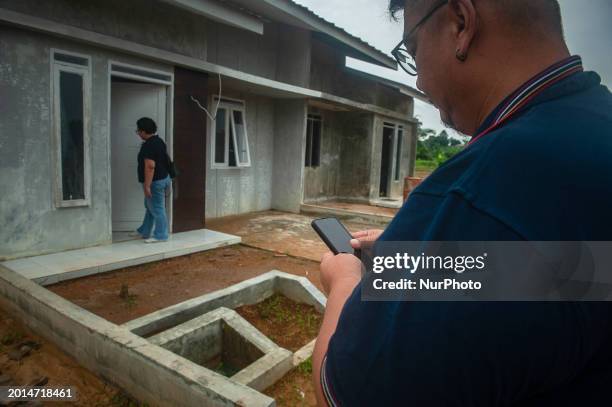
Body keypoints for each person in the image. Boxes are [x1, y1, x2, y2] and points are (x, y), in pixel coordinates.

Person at [313, 0, 612, 406]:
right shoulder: (592, 134)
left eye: (413, 50)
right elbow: (574, 275)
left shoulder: (484, 188)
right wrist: (426, 260)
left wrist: (345, 279)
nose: (417, 81)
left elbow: (347, 393)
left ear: (461, 22)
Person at [135, 117, 171, 243]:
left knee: (157, 208)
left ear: (144, 131)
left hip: (155, 182)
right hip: (163, 178)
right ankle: (144, 231)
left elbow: (150, 166)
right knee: (150, 206)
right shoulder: (159, 141)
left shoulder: (149, 145)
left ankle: (161, 235)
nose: (138, 133)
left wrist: (147, 186)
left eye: (138, 131)